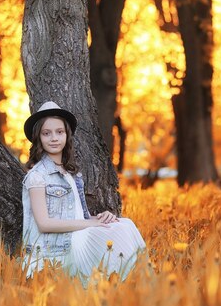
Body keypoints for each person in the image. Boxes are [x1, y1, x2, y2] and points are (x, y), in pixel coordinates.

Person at [21, 101, 146, 284]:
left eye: (59, 132)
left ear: (67, 135)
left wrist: (98, 218)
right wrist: (90, 224)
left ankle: (134, 284)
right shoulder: (37, 176)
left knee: (124, 224)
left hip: (75, 236)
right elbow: (44, 224)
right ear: (38, 137)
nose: (54, 138)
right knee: (120, 229)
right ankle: (131, 284)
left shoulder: (71, 174)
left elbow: (76, 213)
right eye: (46, 133)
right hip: (56, 249)